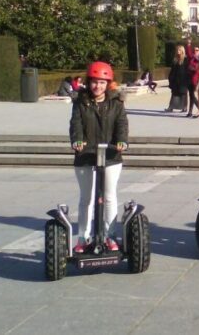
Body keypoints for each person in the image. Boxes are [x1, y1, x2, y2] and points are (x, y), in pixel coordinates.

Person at [69, 61, 128, 253]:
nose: (98, 86)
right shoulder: (80, 102)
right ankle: (83, 238)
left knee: (109, 197)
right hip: (86, 154)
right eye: (95, 82)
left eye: (102, 82)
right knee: (86, 198)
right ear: (89, 82)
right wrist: (77, 140)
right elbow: (75, 124)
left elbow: (121, 124)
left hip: (110, 155)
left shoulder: (116, 103)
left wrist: (122, 141)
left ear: (108, 83)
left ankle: (110, 236)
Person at [166, 45, 188, 112]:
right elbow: (173, 70)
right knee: (174, 94)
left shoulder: (185, 59)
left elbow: (186, 69)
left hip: (183, 80)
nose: (178, 51)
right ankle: (171, 107)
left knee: (183, 94)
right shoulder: (175, 59)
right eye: (177, 50)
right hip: (175, 79)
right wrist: (170, 78)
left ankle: (184, 107)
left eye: (179, 50)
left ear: (182, 51)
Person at [185, 44, 199, 117]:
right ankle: (191, 111)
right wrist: (188, 45)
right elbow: (189, 53)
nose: (195, 51)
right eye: (194, 50)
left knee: (192, 95)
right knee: (191, 95)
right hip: (189, 78)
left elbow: (198, 69)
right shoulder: (192, 58)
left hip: (195, 79)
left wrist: (192, 69)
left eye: (197, 50)